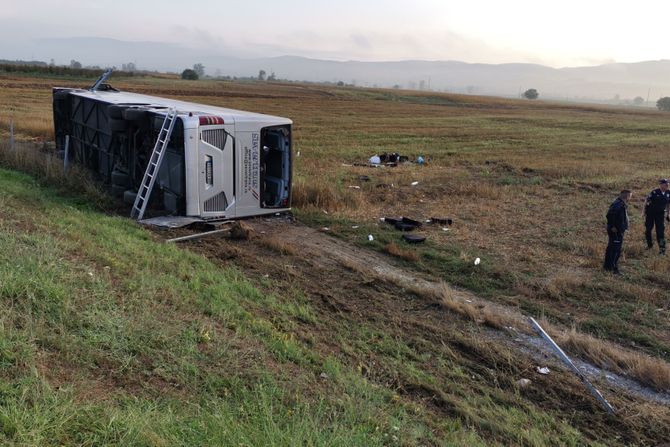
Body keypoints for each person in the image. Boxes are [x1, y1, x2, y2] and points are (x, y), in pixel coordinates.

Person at [604, 190, 631, 274]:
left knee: (612, 248)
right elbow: (609, 214)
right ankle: (613, 268)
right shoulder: (618, 204)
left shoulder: (619, 203)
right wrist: (612, 226)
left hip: (618, 230)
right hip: (616, 231)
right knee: (615, 250)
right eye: (630, 196)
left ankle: (607, 267)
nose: (630, 198)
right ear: (627, 196)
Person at [642, 179, 670, 255]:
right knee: (648, 230)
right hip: (650, 214)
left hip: (660, 215)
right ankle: (649, 245)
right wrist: (643, 212)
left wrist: (668, 213)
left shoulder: (668, 193)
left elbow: (668, 204)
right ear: (661, 184)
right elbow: (646, 201)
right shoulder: (654, 192)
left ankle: (662, 250)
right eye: (665, 184)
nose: (667, 185)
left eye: (668, 184)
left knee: (660, 233)